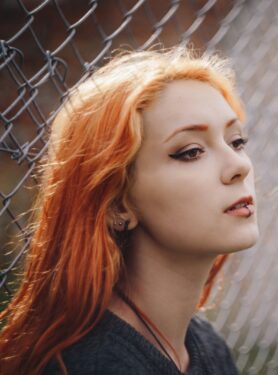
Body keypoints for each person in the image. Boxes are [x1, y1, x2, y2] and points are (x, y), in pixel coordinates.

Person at [0, 46, 259, 375]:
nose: (239, 165)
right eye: (191, 151)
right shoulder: (90, 366)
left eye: (237, 141)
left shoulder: (207, 348)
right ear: (118, 204)